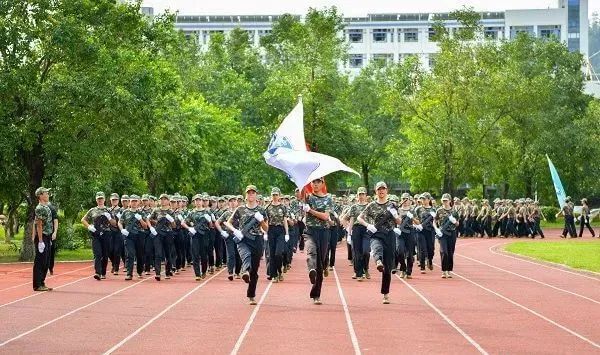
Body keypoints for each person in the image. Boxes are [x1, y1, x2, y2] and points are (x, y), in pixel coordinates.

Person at [357, 181, 402, 304]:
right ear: (375, 191)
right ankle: (378, 261)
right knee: (376, 248)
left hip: (390, 235)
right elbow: (359, 218)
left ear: (387, 190)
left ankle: (385, 293)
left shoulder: (393, 205)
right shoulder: (371, 205)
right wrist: (368, 225)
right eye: (379, 189)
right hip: (376, 234)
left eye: (383, 189)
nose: (381, 191)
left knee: (388, 267)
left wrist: (394, 215)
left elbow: (398, 221)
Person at [224, 185, 268, 305]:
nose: (251, 195)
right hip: (243, 239)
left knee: (254, 270)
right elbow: (227, 222)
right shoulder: (240, 209)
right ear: (246, 195)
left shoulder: (262, 210)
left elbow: (266, 228)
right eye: (249, 193)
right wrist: (235, 230)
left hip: (257, 239)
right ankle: (244, 271)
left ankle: (251, 295)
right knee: (246, 255)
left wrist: (262, 221)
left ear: (256, 195)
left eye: (253, 193)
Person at [301, 178, 333, 305]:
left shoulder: (328, 199)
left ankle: (316, 292)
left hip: (323, 232)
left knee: (320, 264)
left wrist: (310, 211)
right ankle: (311, 271)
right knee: (311, 251)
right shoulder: (308, 198)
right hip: (310, 231)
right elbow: (301, 192)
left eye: (318, 182)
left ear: (322, 184)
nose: (315, 184)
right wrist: (300, 178)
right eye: (313, 182)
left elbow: (325, 216)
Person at [81, 192, 117, 280]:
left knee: (105, 255)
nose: (100, 200)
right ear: (96, 200)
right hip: (96, 234)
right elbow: (83, 220)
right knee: (97, 254)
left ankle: (103, 272)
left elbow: (115, 223)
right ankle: (97, 272)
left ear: (104, 199)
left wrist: (109, 218)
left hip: (106, 234)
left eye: (101, 198)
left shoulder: (109, 210)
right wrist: (89, 226)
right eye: (98, 199)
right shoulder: (92, 210)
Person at [341, 187, 370, 281]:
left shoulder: (370, 206)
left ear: (366, 195)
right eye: (359, 194)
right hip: (356, 229)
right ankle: (359, 273)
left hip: (367, 229)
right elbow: (345, 219)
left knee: (365, 251)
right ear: (357, 196)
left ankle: (366, 268)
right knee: (357, 252)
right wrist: (349, 232)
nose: (361, 196)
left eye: (363, 194)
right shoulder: (354, 207)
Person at [117, 195, 148, 280]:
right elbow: (119, 222)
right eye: (132, 201)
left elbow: (145, 227)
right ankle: (129, 273)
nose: (134, 202)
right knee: (130, 254)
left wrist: (140, 219)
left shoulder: (141, 213)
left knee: (140, 255)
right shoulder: (125, 212)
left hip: (140, 235)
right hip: (129, 235)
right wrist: (122, 229)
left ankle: (139, 271)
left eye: (136, 201)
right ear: (129, 202)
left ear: (138, 202)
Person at [182, 194, 212, 281]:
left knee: (203, 254)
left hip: (204, 234)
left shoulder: (207, 212)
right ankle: (197, 274)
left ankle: (204, 271)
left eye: (199, 200)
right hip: (195, 235)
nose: (198, 202)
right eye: (196, 200)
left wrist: (209, 220)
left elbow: (211, 226)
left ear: (202, 201)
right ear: (194, 202)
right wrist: (189, 228)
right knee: (195, 254)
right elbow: (183, 223)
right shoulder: (191, 212)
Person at [265, 187, 289, 283]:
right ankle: (274, 275)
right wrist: (265, 232)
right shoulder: (267, 207)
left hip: (280, 230)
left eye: (276, 195)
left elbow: (285, 221)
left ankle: (279, 270)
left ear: (279, 195)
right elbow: (266, 221)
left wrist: (287, 233)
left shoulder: (283, 207)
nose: (274, 196)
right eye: (273, 195)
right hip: (271, 230)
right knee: (271, 254)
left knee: (278, 253)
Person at [33, 187, 53, 291]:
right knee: (40, 261)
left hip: (47, 236)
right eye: (46, 193)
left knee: (46, 261)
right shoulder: (39, 208)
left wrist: (49, 238)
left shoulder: (47, 207)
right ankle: (37, 284)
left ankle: (42, 282)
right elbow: (39, 225)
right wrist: (40, 241)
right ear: (41, 195)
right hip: (42, 236)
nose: (48, 194)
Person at [435, 193, 459, 279]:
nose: (444, 202)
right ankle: (444, 271)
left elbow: (458, 224)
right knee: (443, 251)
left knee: (450, 252)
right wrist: (436, 229)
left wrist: (454, 221)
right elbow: (434, 221)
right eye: (443, 200)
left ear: (449, 201)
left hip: (452, 233)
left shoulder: (454, 211)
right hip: (442, 234)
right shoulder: (439, 210)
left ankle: (448, 271)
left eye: (446, 200)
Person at [47, 200, 59, 275]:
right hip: (42, 233)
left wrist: (55, 232)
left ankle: (50, 268)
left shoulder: (51, 209)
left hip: (50, 233)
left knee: (51, 251)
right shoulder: (38, 208)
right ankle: (43, 268)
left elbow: (55, 221)